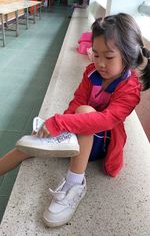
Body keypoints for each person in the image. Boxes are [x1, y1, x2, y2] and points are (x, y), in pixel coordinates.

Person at [0, 13, 150, 227]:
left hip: (101, 142)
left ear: (127, 56)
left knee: (86, 112)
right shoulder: (91, 73)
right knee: (30, 143)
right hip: (78, 131)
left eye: (108, 57)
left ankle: (74, 184)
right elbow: (76, 101)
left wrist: (61, 123)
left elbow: (106, 121)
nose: (100, 63)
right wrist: (63, 125)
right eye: (95, 54)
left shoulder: (130, 89)